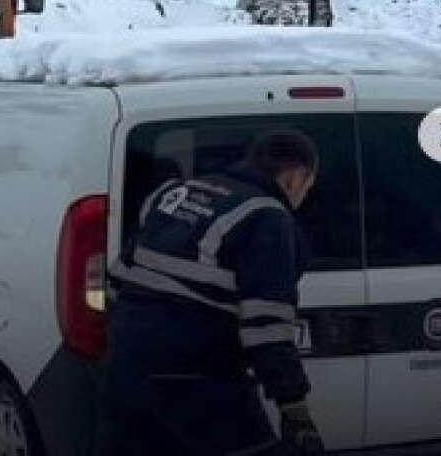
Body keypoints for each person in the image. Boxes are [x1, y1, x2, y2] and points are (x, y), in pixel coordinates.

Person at [101, 130, 325, 456]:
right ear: (295, 177)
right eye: (308, 186)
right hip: (198, 380)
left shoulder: (174, 193)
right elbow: (266, 329)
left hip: (126, 373)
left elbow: (116, 280)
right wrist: (295, 411)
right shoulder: (267, 218)